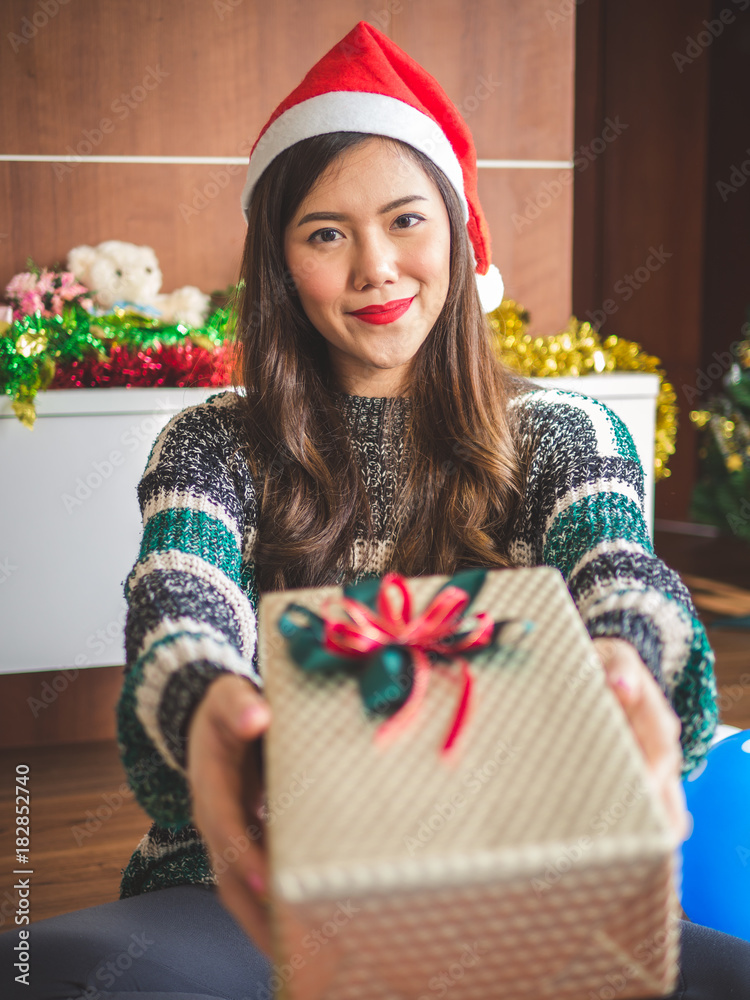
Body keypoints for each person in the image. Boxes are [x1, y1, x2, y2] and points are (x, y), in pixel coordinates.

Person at [2, 19, 749, 1000]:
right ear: (280, 264)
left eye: (405, 219)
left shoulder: (563, 431)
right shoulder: (212, 442)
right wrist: (209, 700)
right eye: (326, 233)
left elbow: (619, 562)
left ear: (454, 230)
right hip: (255, 893)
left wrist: (626, 657)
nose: (376, 269)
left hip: (514, 879)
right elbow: (177, 596)